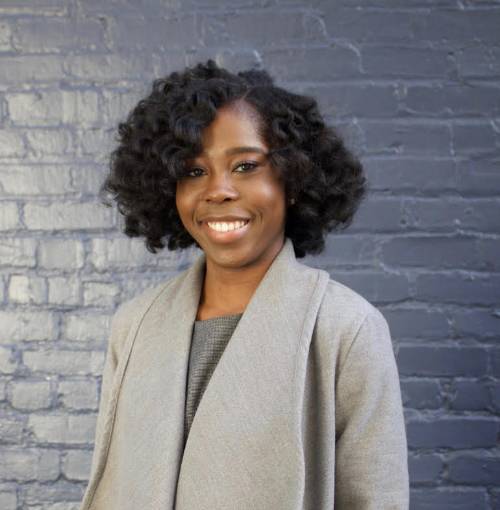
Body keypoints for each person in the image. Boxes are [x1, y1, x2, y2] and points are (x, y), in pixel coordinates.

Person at [79, 59, 409, 510]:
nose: (218, 190)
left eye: (245, 166)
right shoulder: (134, 325)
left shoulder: (346, 329)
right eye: (194, 171)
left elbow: (376, 499)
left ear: (292, 179)